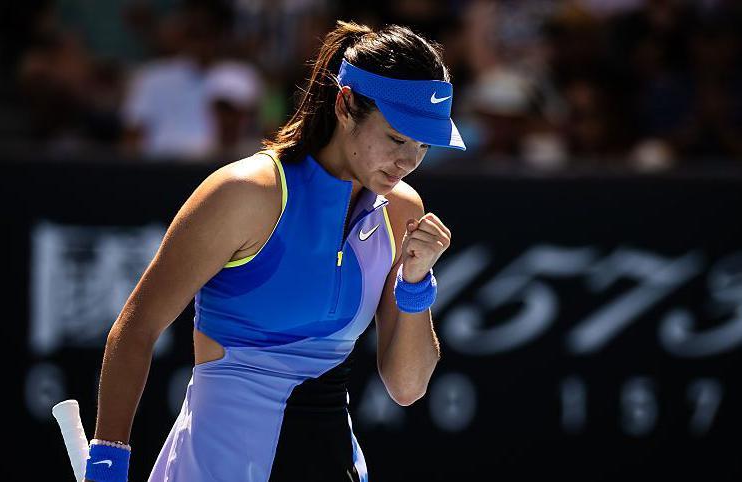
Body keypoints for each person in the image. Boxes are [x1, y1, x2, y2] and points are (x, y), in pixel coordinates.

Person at [85, 20, 466, 482]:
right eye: (397, 138)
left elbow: (408, 387)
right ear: (345, 105)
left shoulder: (402, 210)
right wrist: (108, 462)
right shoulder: (244, 194)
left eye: (423, 144)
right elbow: (136, 329)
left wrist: (416, 283)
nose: (408, 162)